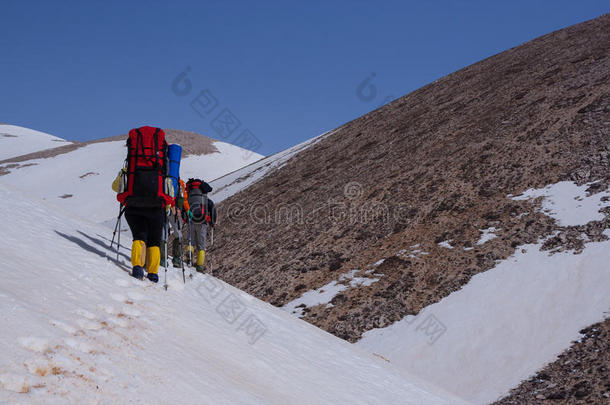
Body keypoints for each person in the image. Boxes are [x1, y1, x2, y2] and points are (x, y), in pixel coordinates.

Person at [112, 126, 174, 283]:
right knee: (154, 240)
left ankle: (137, 268)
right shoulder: (161, 166)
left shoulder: (130, 165)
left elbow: (116, 187)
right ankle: (153, 273)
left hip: (134, 205)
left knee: (139, 236)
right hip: (156, 206)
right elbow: (170, 192)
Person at [185, 178, 216, 272]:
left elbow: (184, 207)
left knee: (191, 241)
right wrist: (212, 222)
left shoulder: (190, 196)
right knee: (201, 246)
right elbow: (213, 209)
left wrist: (185, 219)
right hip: (202, 222)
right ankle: (199, 266)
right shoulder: (205, 198)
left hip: (191, 221)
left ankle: (189, 254)